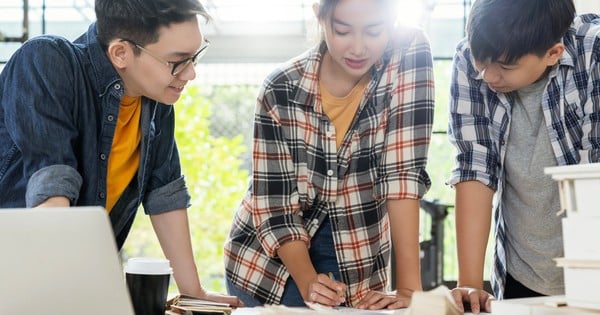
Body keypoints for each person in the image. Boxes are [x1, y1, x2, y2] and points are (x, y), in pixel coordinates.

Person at [0, 0, 241, 306]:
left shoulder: (155, 100)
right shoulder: (47, 59)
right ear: (121, 53)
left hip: (71, 280)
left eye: (196, 56)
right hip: (17, 277)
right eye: (177, 61)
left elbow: (164, 193)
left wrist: (194, 292)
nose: (191, 73)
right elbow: (52, 183)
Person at [223, 0, 434, 310]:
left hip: (358, 254)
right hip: (271, 266)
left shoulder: (409, 52)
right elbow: (275, 208)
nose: (359, 47)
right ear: (319, 16)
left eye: (374, 31)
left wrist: (408, 289)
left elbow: (402, 174)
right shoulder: (279, 88)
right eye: (343, 31)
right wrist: (309, 282)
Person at [447, 0, 600, 313]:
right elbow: (474, 164)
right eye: (482, 60)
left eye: (505, 66)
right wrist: (470, 283)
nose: (488, 75)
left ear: (553, 53)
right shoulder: (470, 58)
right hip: (522, 273)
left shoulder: (594, 51)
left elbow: (592, 177)